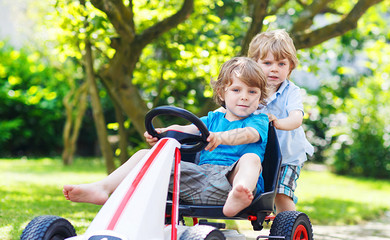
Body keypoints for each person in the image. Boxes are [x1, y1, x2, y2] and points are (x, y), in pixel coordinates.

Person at [63, 57, 269, 217]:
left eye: (252, 92)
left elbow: (248, 135)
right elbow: (186, 129)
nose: (244, 96)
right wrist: (163, 134)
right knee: (146, 154)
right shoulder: (212, 119)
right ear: (222, 93)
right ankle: (102, 188)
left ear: (260, 97)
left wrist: (221, 138)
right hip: (199, 178)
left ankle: (239, 195)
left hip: (230, 183)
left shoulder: (258, 121)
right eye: (236, 89)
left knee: (251, 159)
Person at [248, 29, 314, 213]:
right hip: (258, 154)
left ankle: (288, 229)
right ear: (255, 64)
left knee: (281, 194)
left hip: (288, 156)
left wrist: (278, 123)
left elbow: (296, 118)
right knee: (252, 188)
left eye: (281, 63)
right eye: (267, 63)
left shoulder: (291, 91)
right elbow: (229, 110)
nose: (274, 69)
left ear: (290, 67)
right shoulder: (251, 90)